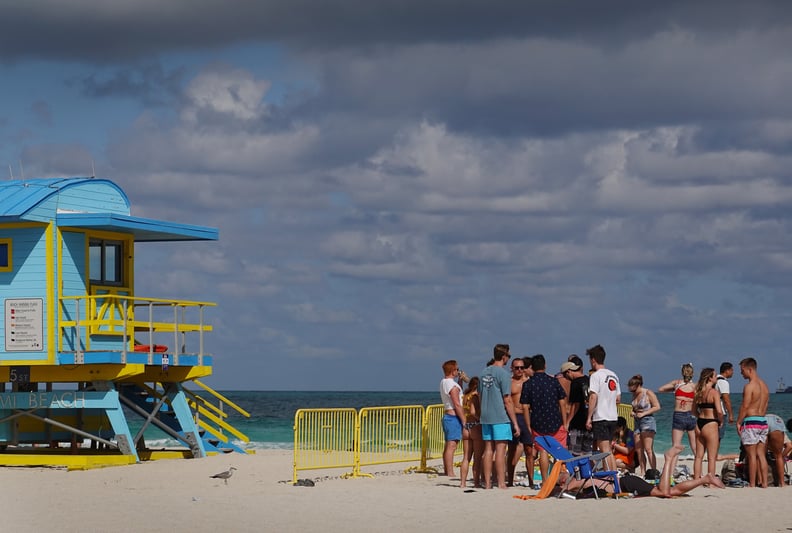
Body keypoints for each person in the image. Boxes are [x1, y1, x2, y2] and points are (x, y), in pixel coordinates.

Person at [561, 444, 725, 497]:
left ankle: (668, 459)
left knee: (664, 493)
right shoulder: (578, 480)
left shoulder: (574, 482)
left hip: (626, 484)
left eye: (561, 478)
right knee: (671, 491)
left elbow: (561, 491)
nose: (561, 480)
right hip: (626, 483)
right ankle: (705, 479)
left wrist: (554, 486)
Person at [478, 344, 520, 489]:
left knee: (488, 449)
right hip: (499, 416)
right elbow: (507, 400)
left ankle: (488, 483)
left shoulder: (483, 373)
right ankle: (501, 482)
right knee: (501, 450)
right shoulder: (503, 374)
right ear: (504, 357)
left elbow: (480, 395)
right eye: (508, 356)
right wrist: (515, 422)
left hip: (486, 415)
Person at [520, 354, 567, 484]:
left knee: (543, 452)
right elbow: (562, 402)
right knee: (558, 452)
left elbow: (525, 407)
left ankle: (545, 481)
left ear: (532, 368)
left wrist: (528, 424)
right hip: (555, 420)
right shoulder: (553, 381)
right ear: (545, 366)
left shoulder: (528, 384)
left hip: (537, 421)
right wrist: (564, 421)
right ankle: (556, 479)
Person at [585, 344, 620, 471]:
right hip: (612, 417)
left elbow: (593, 396)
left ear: (593, 360)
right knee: (608, 450)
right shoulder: (614, 375)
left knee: (604, 450)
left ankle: (611, 477)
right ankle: (613, 476)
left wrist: (589, 417)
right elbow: (618, 398)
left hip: (601, 417)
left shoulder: (596, 376)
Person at [737, 357, 769, 487]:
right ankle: (765, 483)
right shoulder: (765, 386)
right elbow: (766, 404)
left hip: (751, 421)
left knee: (751, 455)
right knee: (761, 454)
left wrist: (739, 422)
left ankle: (752, 483)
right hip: (762, 421)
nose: (741, 373)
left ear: (749, 369)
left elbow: (745, 406)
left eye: (742, 370)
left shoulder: (749, 386)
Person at [507, 357, 535, 487]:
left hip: (526, 417)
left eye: (521, 368)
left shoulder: (529, 382)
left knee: (529, 450)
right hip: (513, 417)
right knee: (512, 449)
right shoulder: (508, 382)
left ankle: (531, 481)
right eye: (516, 367)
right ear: (512, 368)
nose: (519, 370)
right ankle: (510, 480)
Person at [658, 363, 697, 455]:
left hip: (679, 415)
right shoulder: (695, 386)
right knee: (695, 447)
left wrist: (674, 389)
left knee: (676, 446)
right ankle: (699, 467)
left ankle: (672, 468)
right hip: (691, 415)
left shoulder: (677, 383)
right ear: (692, 373)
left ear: (682, 372)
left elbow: (661, 389)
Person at [692, 368, 723, 480]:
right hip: (711, 423)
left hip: (699, 422)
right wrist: (721, 421)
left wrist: (700, 416)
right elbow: (719, 411)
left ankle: (696, 480)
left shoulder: (698, 392)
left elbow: (693, 411)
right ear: (710, 378)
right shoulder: (714, 392)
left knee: (699, 456)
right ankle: (710, 482)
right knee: (711, 457)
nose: (716, 378)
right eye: (715, 376)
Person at [629, 374, 660, 475]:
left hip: (647, 420)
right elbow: (635, 408)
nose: (632, 392)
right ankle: (643, 472)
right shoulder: (634, 395)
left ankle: (654, 471)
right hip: (637, 422)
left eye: (634, 390)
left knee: (648, 449)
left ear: (639, 386)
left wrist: (644, 413)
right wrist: (633, 412)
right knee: (639, 449)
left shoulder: (648, 393)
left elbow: (657, 406)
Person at [439, 360, 466, 477]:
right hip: (453, 417)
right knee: (452, 445)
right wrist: (464, 419)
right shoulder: (451, 385)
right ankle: (450, 472)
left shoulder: (445, 382)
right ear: (453, 370)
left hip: (448, 416)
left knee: (449, 445)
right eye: (457, 369)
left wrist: (460, 381)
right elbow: (457, 403)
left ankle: (447, 470)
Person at [563, 356, 594, 455]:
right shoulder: (589, 380)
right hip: (589, 421)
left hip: (577, 423)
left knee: (574, 453)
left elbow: (575, 405)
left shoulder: (575, 383)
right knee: (587, 453)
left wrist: (567, 422)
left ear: (569, 371)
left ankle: (577, 470)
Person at [459, 377, 483, 488]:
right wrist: (479, 419)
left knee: (466, 457)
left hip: (466, 426)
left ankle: (462, 482)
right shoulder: (475, 396)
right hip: (475, 426)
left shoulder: (465, 396)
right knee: (477, 458)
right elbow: (473, 412)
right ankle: (476, 482)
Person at [766, 413, 791, 487]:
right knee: (779, 457)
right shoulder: (782, 433)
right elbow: (789, 446)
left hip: (764, 419)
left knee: (759, 456)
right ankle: (782, 483)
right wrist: (782, 457)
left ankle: (761, 482)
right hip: (778, 421)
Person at [715, 362, 734, 445]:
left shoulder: (715, 380)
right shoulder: (723, 382)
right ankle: (713, 456)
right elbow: (726, 399)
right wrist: (731, 414)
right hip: (721, 412)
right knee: (718, 437)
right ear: (727, 371)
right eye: (732, 370)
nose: (733, 372)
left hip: (712, 410)